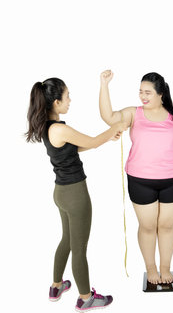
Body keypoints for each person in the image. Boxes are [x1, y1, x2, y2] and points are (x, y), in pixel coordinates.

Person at [25, 78, 127, 311]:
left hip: (61, 193)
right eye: (68, 96)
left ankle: (56, 285)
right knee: (79, 248)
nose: (70, 100)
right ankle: (85, 297)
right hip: (75, 195)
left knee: (67, 241)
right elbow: (92, 141)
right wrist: (116, 126)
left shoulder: (48, 127)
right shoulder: (60, 128)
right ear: (57, 101)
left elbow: (81, 145)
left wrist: (107, 136)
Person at [99, 70, 173, 285]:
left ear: (160, 94)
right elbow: (109, 117)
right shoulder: (133, 113)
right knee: (147, 226)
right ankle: (151, 268)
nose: (143, 97)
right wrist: (104, 85)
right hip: (140, 180)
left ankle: (165, 267)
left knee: (167, 226)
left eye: (148, 93)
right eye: (140, 92)